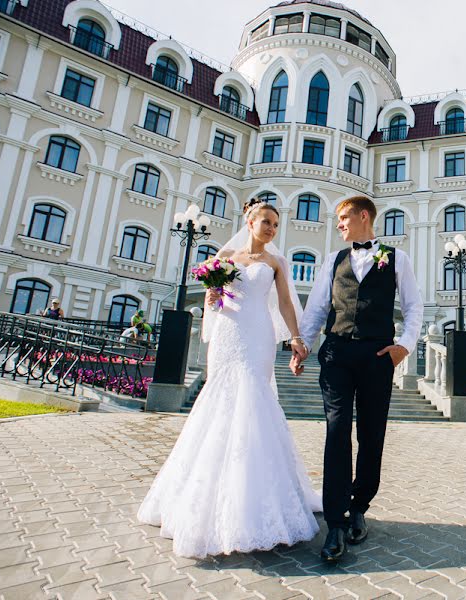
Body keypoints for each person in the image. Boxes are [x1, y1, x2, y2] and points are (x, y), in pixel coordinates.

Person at [137, 198, 319, 558]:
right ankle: (202, 499)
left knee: (254, 401)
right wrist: (213, 293)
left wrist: (295, 337)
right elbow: (213, 300)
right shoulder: (226, 257)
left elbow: (284, 304)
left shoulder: (276, 262)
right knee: (218, 404)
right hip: (228, 333)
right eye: (265, 222)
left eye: (275, 225)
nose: (270, 229)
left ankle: (255, 500)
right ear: (249, 221)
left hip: (258, 334)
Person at [294, 195, 423, 562]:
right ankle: (334, 522)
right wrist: (302, 345)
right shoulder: (333, 260)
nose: (339, 225)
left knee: (371, 431)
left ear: (363, 216)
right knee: (336, 431)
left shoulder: (398, 258)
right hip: (336, 354)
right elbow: (318, 307)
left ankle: (360, 505)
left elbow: (414, 306)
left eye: (343, 218)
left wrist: (404, 346)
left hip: (377, 356)